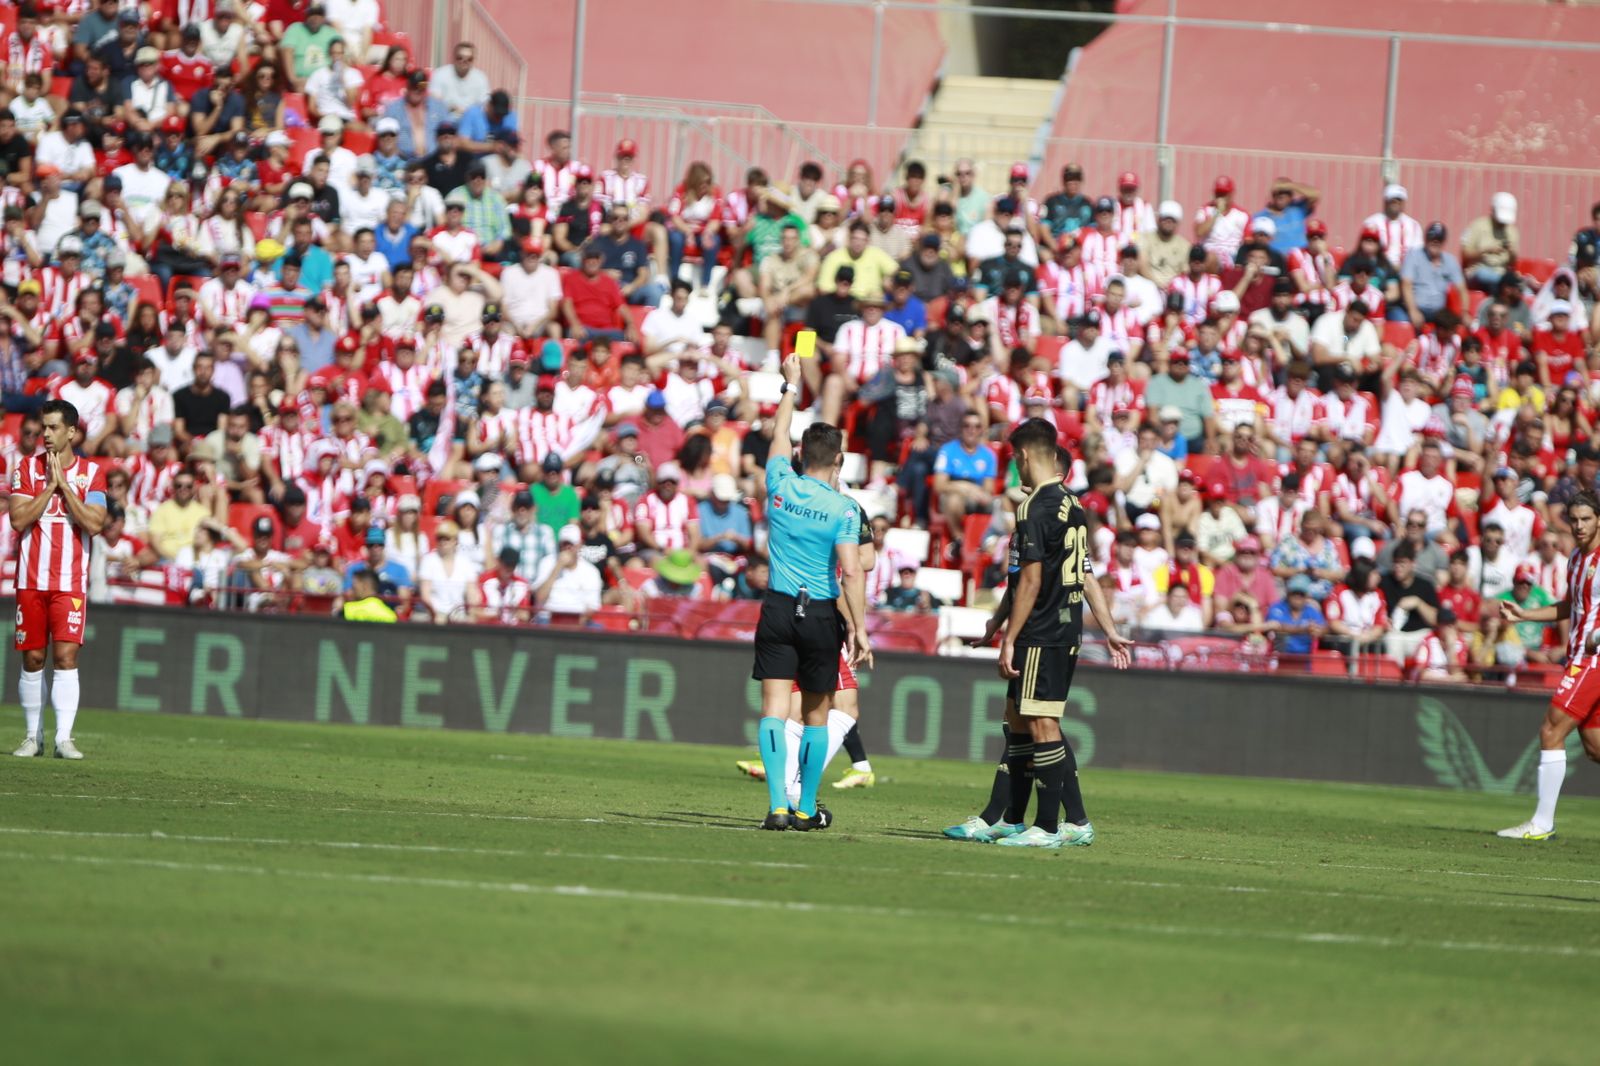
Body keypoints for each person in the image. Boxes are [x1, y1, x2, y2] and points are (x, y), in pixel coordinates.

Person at [943, 421, 1132, 848]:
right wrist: (1110, 629)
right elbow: (1084, 575)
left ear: (1026, 456)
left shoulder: (1033, 508)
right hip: (1061, 627)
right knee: (1022, 721)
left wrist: (1009, 636)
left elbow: (1028, 582)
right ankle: (1009, 816)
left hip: (1042, 630)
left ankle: (1048, 826)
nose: (1015, 467)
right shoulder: (1075, 507)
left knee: (1041, 724)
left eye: (1014, 458)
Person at [749, 353, 869, 832]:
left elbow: (778, 436)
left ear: (801, 455)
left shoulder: (779, 483)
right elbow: (852, 572)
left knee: (775, 711)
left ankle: (778, 804)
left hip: (777, 607)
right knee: (818, 715)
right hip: (819, 614)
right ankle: (806, 808)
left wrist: (790, 386)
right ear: (837, 460)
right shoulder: (842, 508)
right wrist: (859, 627)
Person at [1498, 491, 1600, 840]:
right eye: (1574, 519)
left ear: (1599, 519)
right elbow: (1569, 606)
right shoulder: (1574, 558)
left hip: (1594, 659)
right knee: (1594, 746)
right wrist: (1525, 614)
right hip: (1579, 657)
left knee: (1551, 731)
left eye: (1586, 519)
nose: (1579, 526)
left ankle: (1542, 823)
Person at [10, 399, 108, 760]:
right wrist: (49, 488)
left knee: (66, 657)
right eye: (43, 427)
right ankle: (32, 737)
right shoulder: (26, 469)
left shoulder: (92, 474)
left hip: (70, 582)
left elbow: (95, 523)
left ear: (71, 432)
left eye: (52, 428)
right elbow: (18, 520)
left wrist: (65, 487)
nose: (45, 434)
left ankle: (63, 738)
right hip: (31, 580)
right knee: (33, 658)